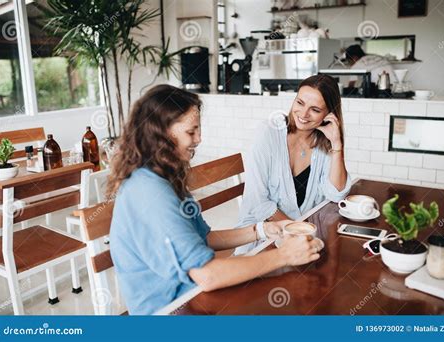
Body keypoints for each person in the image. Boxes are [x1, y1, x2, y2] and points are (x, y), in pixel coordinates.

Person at [107, 84, 324, 315]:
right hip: (169, 312)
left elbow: (205, 238)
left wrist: (262, 230)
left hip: (194, 299)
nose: (199, 139)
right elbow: (208, 276)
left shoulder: (163, 176)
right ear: (160, 133)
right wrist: (283, 255)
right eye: (191, 132)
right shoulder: (148, 191)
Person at [236, 75, 351, 254]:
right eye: (300, 102)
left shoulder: (324, 142)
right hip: (261, 237)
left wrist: (337, 144)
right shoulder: (268, 133)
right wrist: (297, 230)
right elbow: (257, 201)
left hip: (304, 235)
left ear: (329, 114)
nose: (303, 114)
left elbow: (336, 194)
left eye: (314, 109)